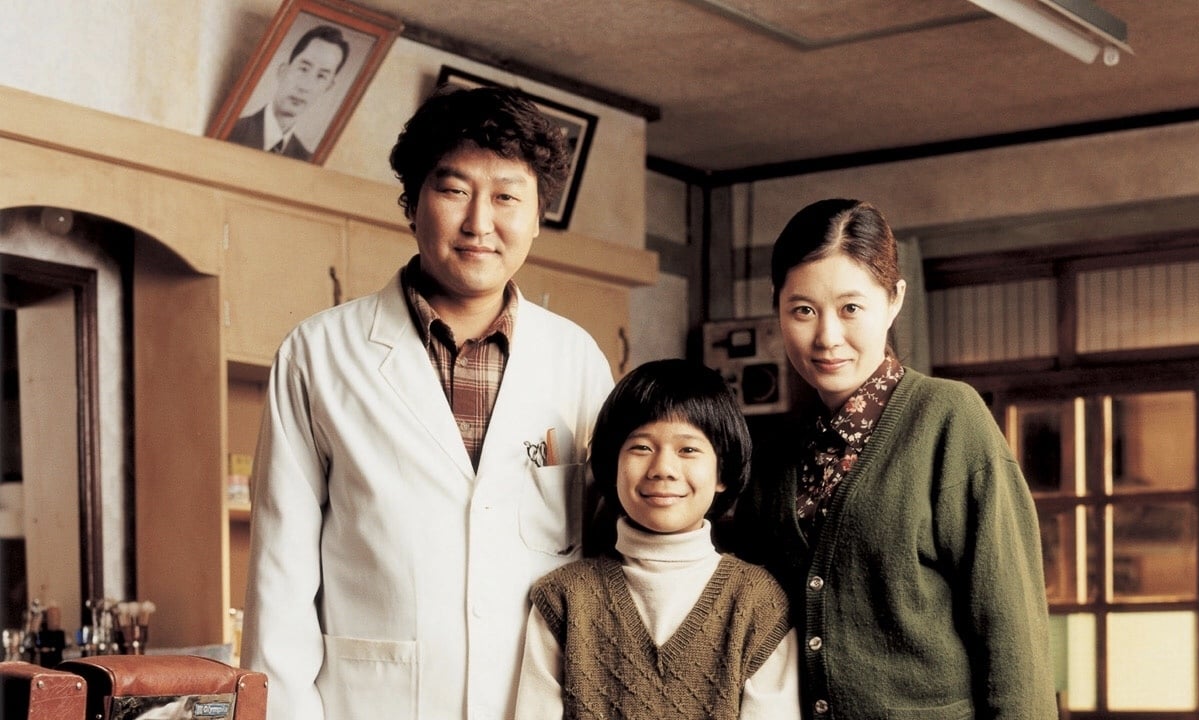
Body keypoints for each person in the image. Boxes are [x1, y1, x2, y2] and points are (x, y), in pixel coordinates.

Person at [239, 85, 616, 719]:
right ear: (412, 204)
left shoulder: (576, 361)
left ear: (537, 217)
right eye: (455, 190)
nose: (480, 224)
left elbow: (610, 557)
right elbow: (279, 580)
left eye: (507, 197)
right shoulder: (319, 354)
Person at [732, 199, 1057, 719]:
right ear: (778, 310)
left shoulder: (950, 418)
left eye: (850, 308)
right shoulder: (774, 453)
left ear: (894, 301)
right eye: (803, 310)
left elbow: (1012, 632)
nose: (827, 337)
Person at [515, 358, 801, 720]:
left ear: (723, 472)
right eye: (641, 447)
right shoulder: (563, 598)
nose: (663, 469)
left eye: (688, 450)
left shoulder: (759, 602)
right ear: (612, 465)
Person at [227, 24, 350, 161]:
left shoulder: (306, 160)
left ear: (328, 87)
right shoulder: (231, 131)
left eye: (321, 76)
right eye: (303, 69)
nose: (306, 86)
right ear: (283, 71)